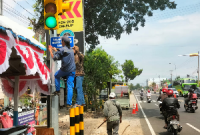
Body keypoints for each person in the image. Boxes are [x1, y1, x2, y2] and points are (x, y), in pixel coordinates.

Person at [48, 36, 76, 107]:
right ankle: (69, 104)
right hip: (72, 70)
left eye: (61, 41)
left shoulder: (63, 49)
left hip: (65, 70)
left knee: (56, 75)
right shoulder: (71, 50)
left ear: (63, 41)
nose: (61, 42)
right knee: (70, 86)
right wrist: (56, 50)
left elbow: (54, 57)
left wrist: (50, 51)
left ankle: (57, 90)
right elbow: (63, 54)